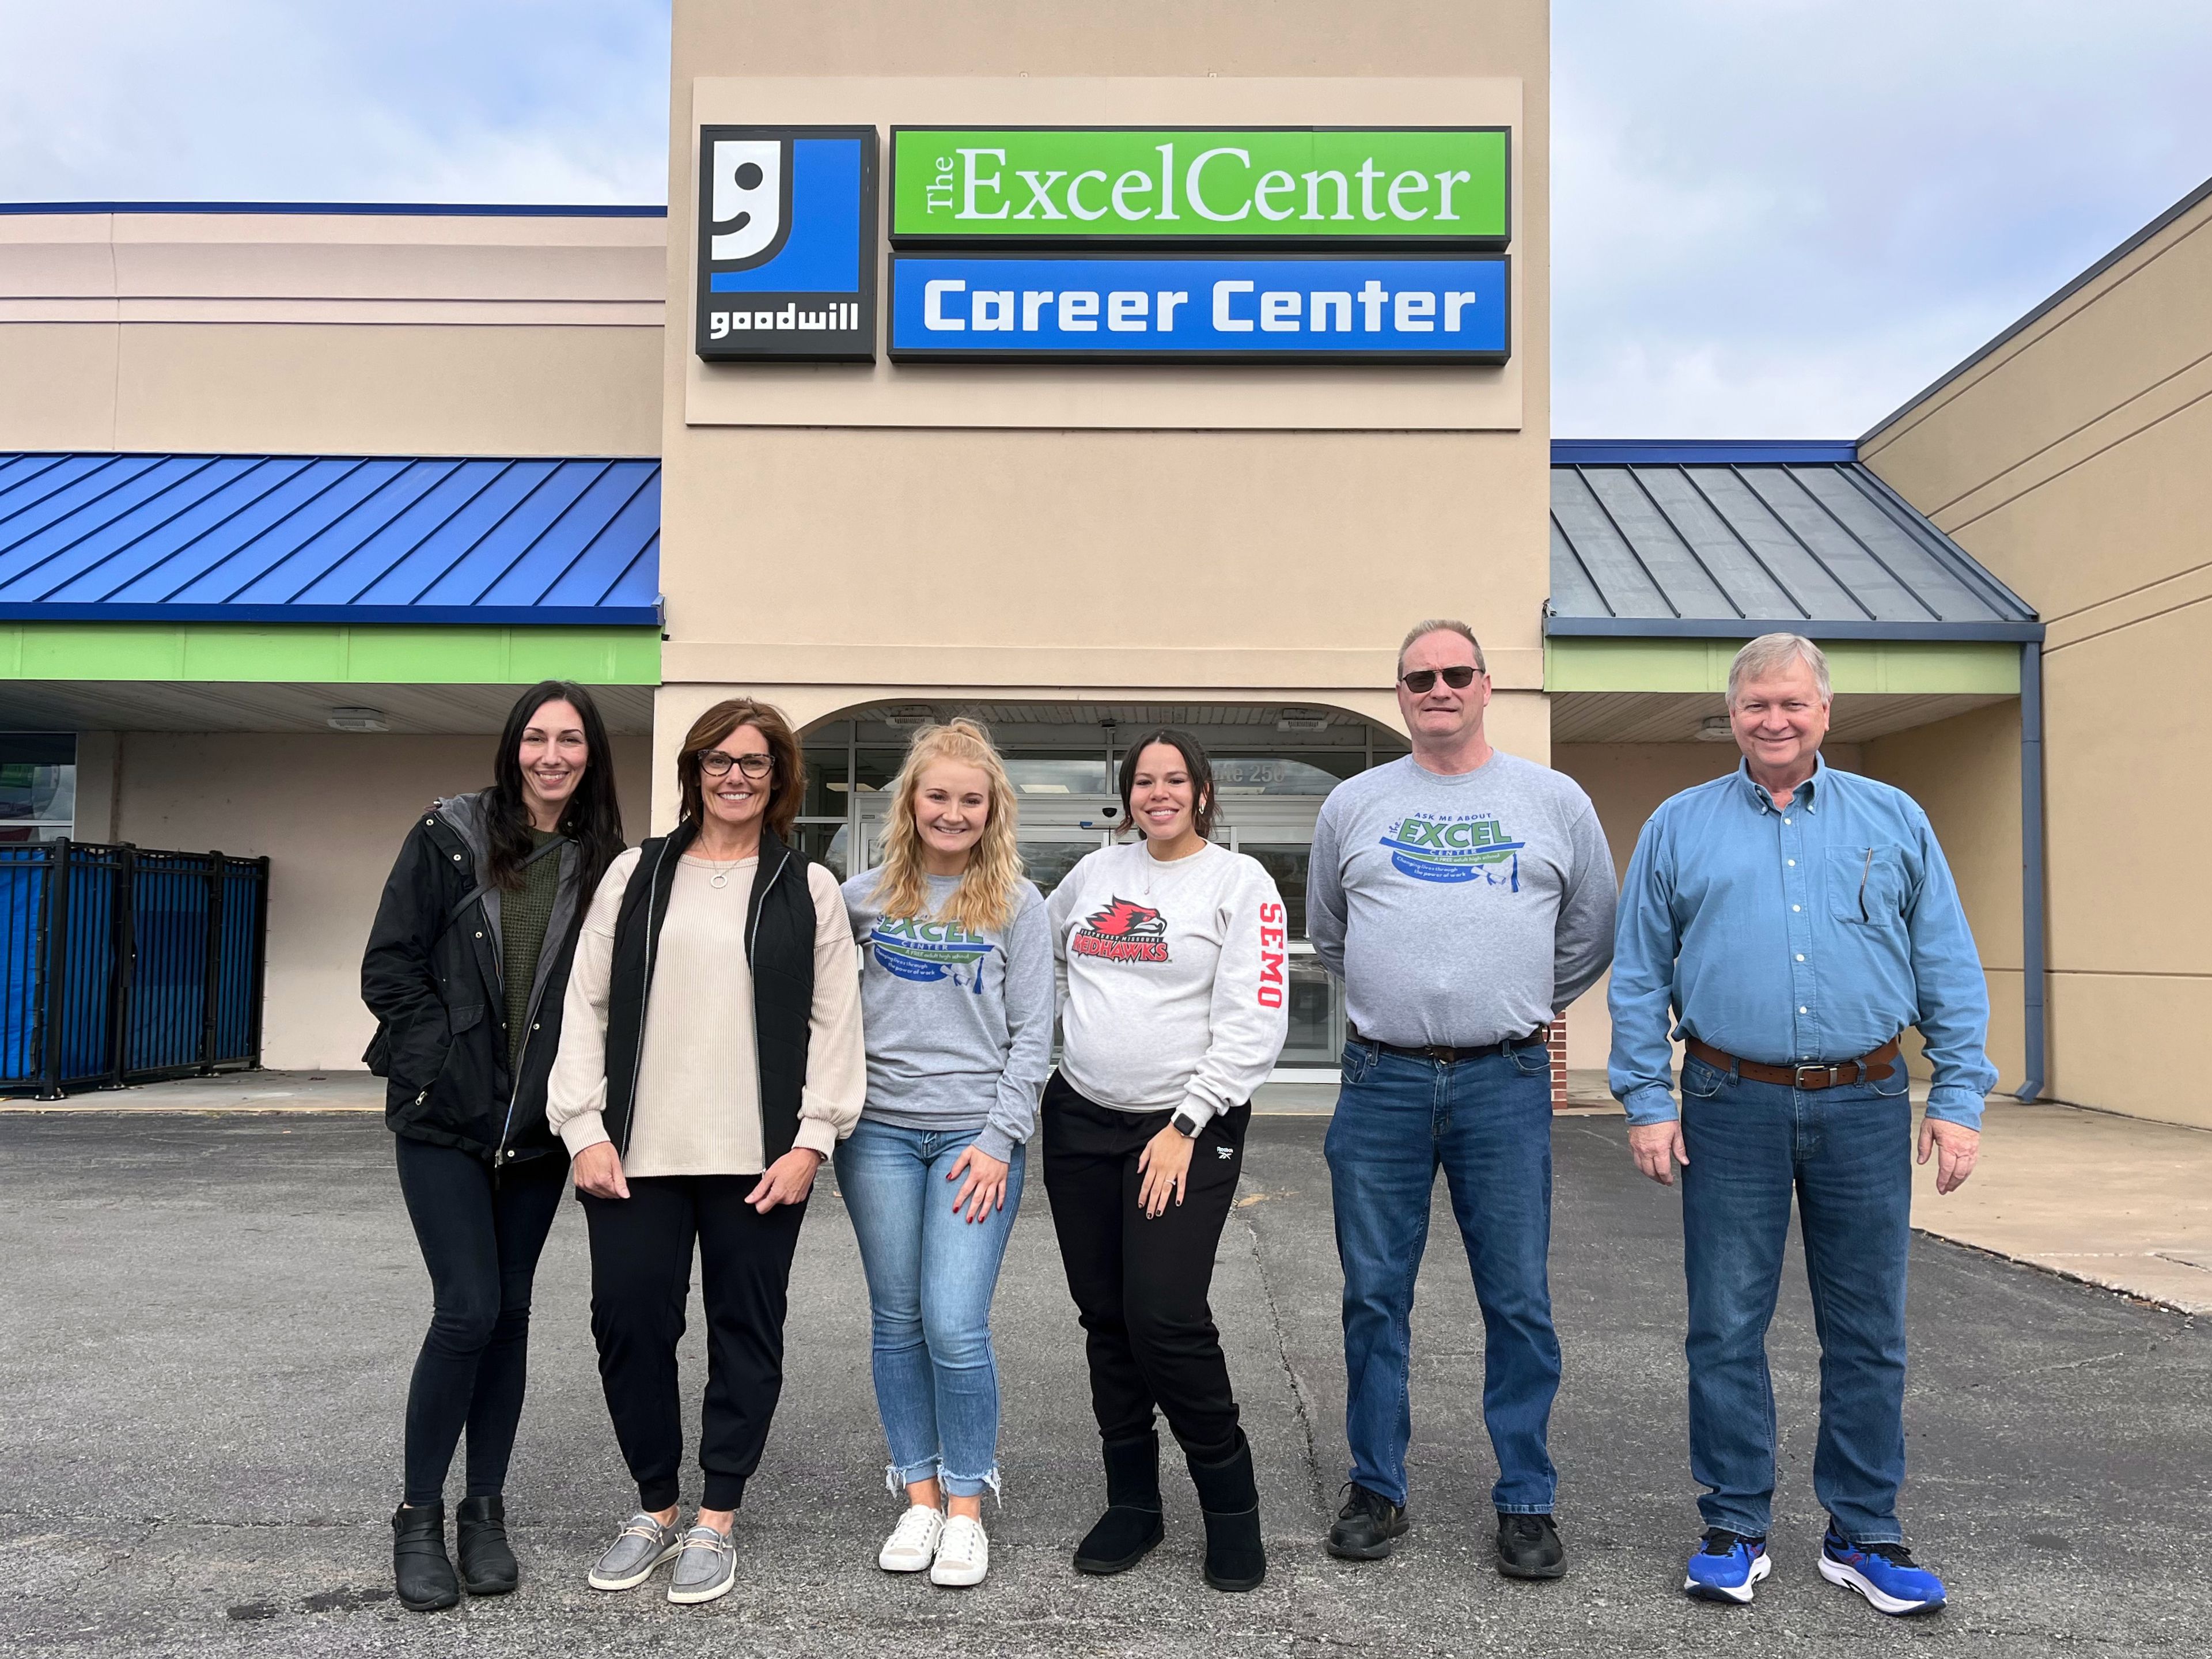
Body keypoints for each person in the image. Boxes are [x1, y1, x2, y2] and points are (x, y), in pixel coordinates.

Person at [1608, 632, 1993, 1616]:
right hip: (1728, 1102)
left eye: (1792, 704)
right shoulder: (1679, 826)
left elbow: (1947, 963)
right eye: (1754, 706)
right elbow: (1643, 970)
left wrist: (1957, 1099)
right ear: (1729, 716)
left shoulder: (1892, 819)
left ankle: (1863, 1531)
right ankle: (1734, 1525)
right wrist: (1647, 1099)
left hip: (1866, 1102)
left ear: (1826, 713)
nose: (1773, 720)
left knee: (1868, 1330)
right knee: (1725, 1326)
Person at [1308, 620, 1615, 1579]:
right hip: (1382, 1080)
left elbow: (1590, 932)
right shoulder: (1353, 805)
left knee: (1517, 1299)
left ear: (1487, 685)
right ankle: (1378, 1489)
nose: (1436, 689)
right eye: (1417, 678)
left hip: (1505, 1080)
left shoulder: (1553, 800)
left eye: (1454, 674)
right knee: (1373, 1296)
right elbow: (1331, 933)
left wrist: (1510, 1003)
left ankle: (1526, 1500)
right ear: (1398, 694)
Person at [546, 697, 865, 1607]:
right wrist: (583, 1129)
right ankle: (655, 1506)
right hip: (634, 1153)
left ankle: (717, 1518)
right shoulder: (635, 876)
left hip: (762, 1159)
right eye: (719, 760)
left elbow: (835, 1021)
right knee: (629, 1326)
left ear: (778, 780)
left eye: (754, 764)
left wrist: (813, 1141)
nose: (735, 776)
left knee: (745, 1334)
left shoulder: (805, 887)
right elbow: (587, 1004)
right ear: (692, 772)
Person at [362, 680, 627, 1612]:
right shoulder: (447, 835)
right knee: (467, 1309)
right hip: (442, 1118)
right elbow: (388, 964)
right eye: (537, 738)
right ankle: (418, 1516)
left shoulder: (605, 863)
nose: (552, 755)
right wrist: (437, 1059)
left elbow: (607, 999)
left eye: (571, 741)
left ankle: (485, 1513)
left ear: (592, 756)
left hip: (538, 1133)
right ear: (514, 746)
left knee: (510, 1314)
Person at [1042, 727, 1288, 1593]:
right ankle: (1134, 1506)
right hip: (1079, 1120)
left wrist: (1185, 1124)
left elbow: (1254, 1022)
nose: (1158, 794)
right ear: (1127, 796)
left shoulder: (1239, 883)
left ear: (1203, 792)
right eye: (1143, 782)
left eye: (1173, 780)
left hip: (1185, 1127)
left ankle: (1231, 1508)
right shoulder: (1096, 875)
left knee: (1165, 1318)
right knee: (1105, 1317)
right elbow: (1045, 962)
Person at [838, 719, 1052, 1589]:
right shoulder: (859, 899)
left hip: (975, 1139)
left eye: (971, 798)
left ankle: (967, 1506)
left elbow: (1035, 1033)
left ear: (991, 807)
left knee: (955, 1325)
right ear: (911, 802)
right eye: (939, 796)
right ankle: (919, 1498)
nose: (953, 812)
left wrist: (1001, 1140)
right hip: (879, 1135)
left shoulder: (1017, 904)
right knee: (897, 1321)